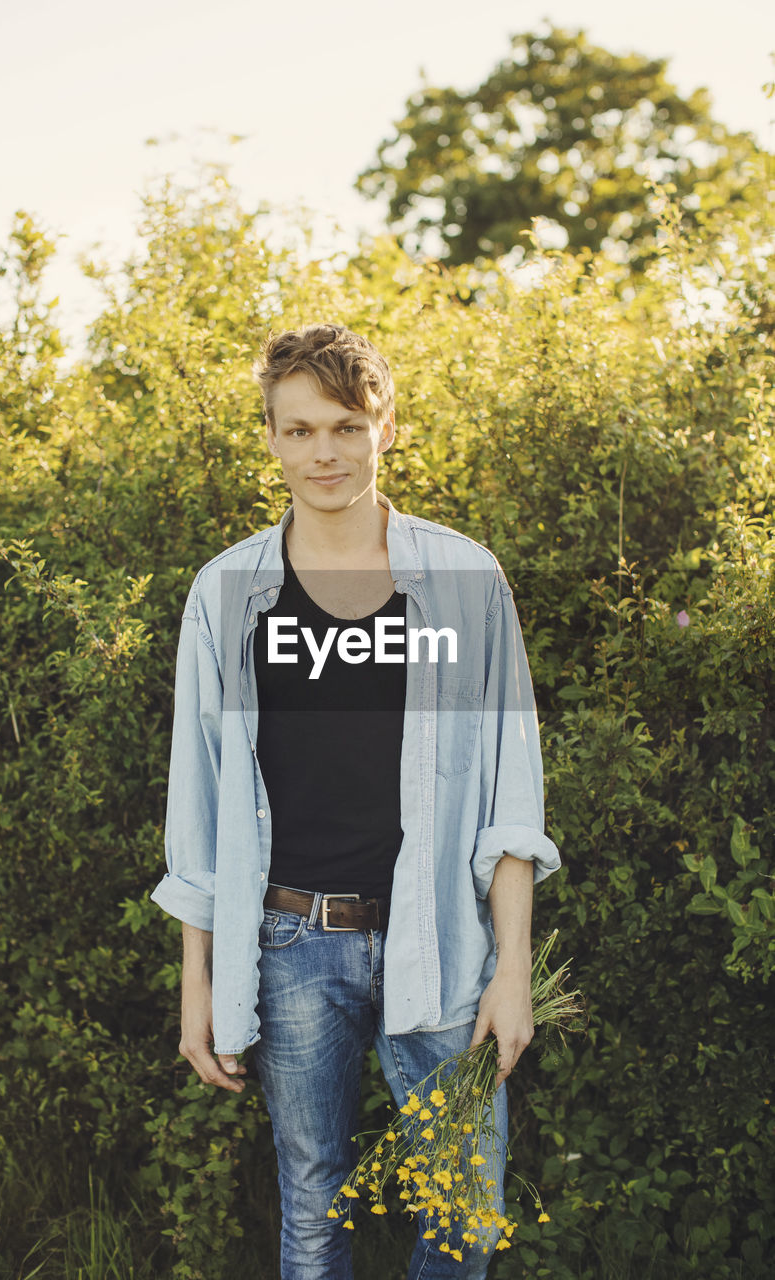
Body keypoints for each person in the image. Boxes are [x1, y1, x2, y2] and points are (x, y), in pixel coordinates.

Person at [150, 324, 561, 1279]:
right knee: (313, 1205)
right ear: (270, 440)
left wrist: (511, 970)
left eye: (343, 425)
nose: (322, 453)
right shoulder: (225, 596)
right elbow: (198, 805)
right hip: (292, 944)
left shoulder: (462, 583)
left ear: (386, 427)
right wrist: (197, 983)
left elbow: (511, 788)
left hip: (442, 944)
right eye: (297, 431)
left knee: (463, 1207)